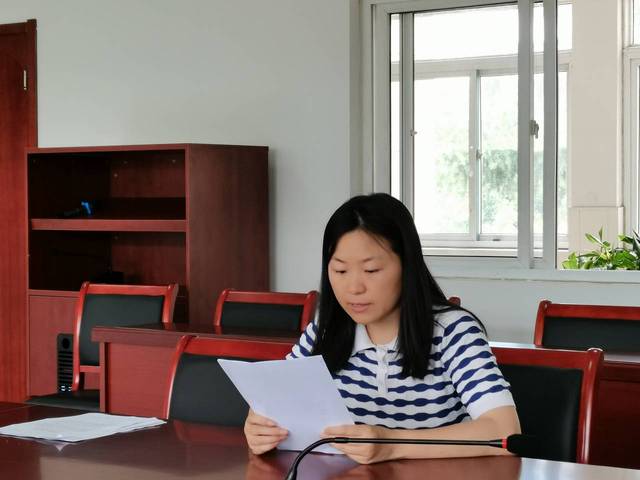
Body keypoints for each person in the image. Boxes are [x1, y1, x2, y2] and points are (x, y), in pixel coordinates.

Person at [244, 193, 520, 464]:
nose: (354, 288)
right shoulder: (324, 330)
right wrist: (260, 427)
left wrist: (391, 444)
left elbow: (505, 432)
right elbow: (274, 402)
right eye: (340, 271)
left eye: (372, 270)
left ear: (407, 266)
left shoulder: (452, 332)